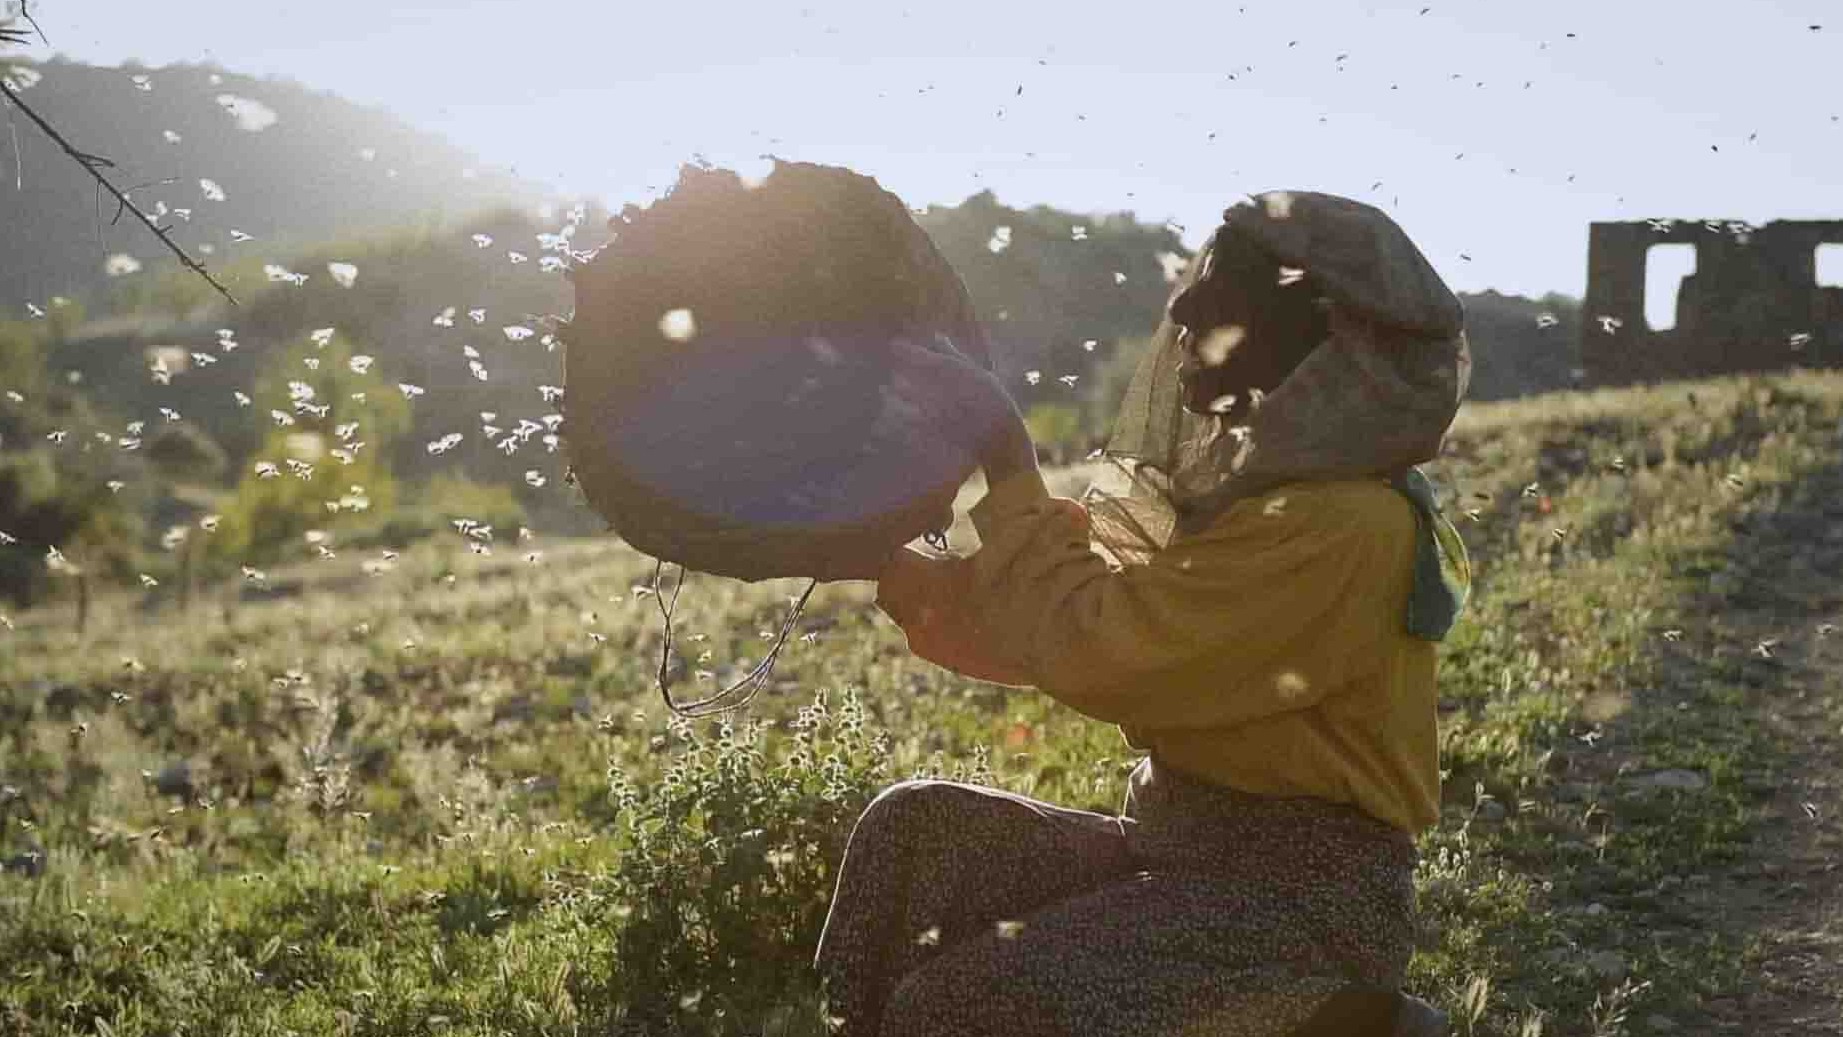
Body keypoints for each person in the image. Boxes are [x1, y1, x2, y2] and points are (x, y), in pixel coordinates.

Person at [812, 191, 1474, 1037]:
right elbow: (1072, 627)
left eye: (1229, 288)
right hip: (1173, 849)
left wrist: (1006, 453)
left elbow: (1099, 647)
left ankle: (1326, 1014)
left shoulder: (1340, 522)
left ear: (1312, 335)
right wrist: (889, 561)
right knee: (920, 831)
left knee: (961, 1004)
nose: (1188, 307)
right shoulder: (1265, 506)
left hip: (1294, 902)